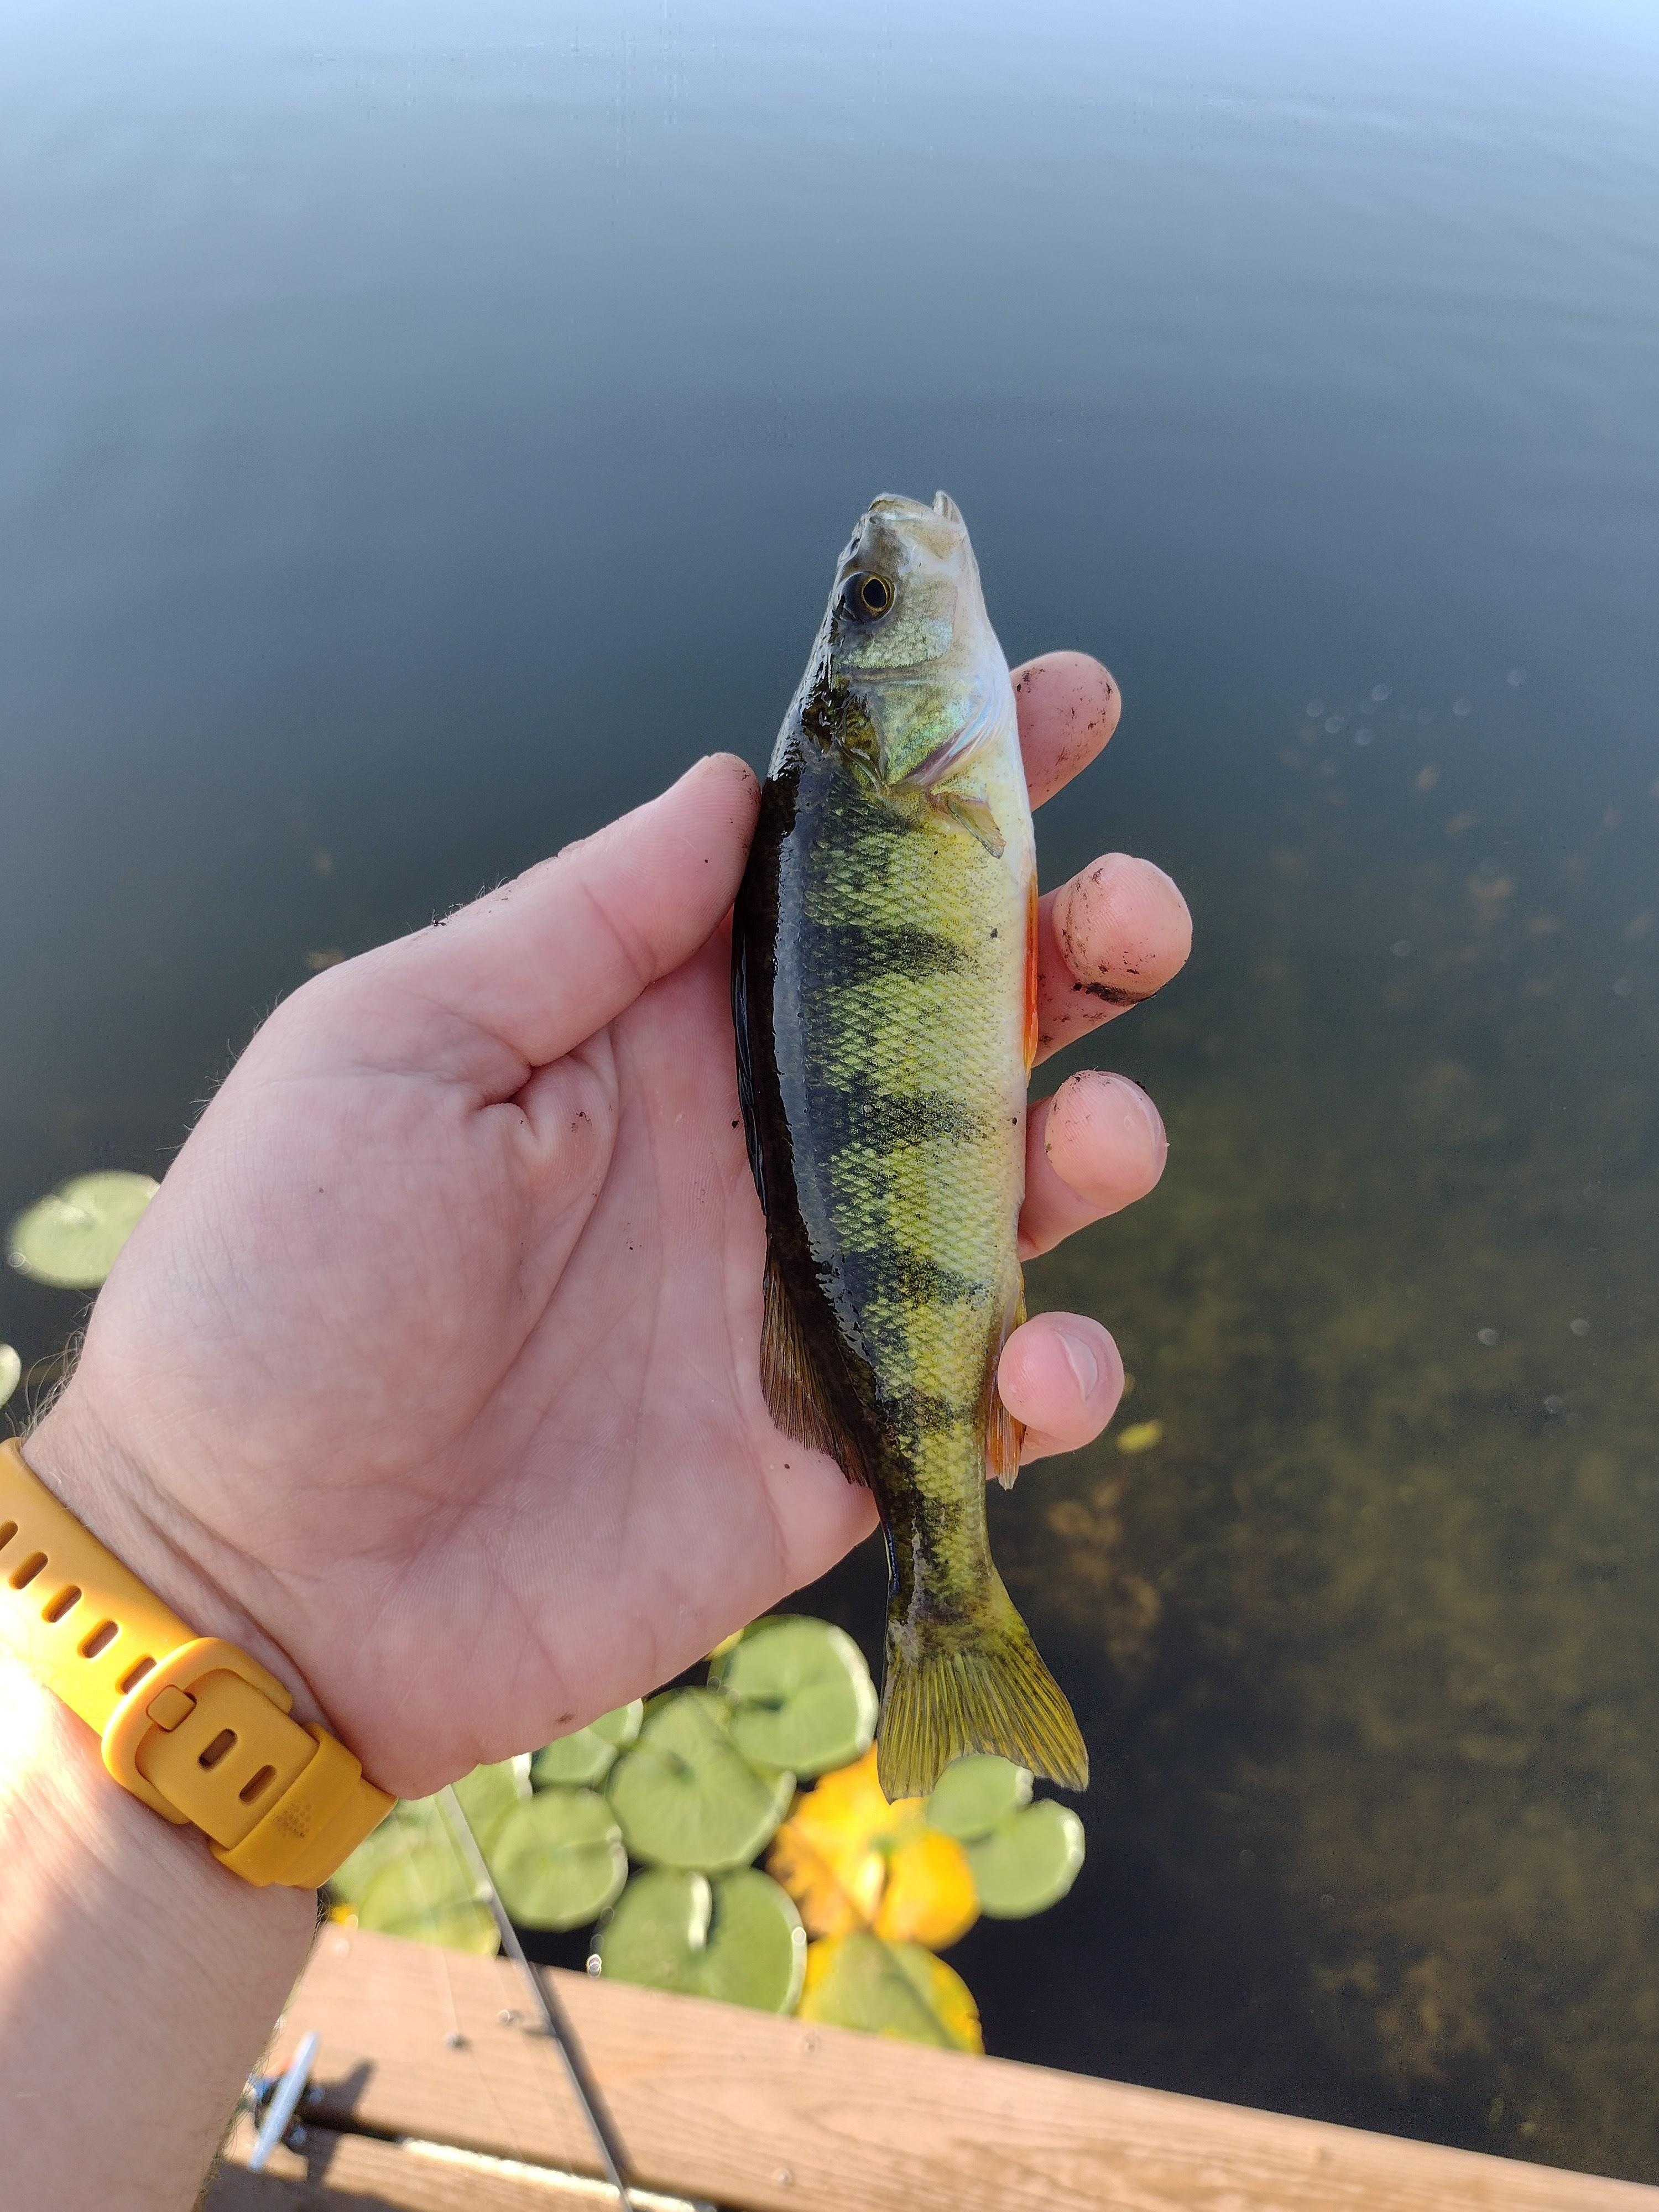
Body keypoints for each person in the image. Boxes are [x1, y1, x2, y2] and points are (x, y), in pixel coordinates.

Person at [0, 652, 1190, 2209]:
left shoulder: (880, 792)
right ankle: (946, 1606)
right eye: (875, 611)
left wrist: (187, 1578)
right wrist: (200, 1570)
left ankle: (940, 1595)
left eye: (870, 605)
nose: (887, 592)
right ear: (865, 724)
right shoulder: (879, 788)